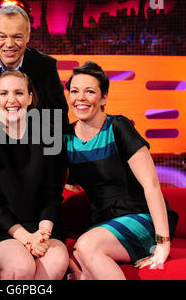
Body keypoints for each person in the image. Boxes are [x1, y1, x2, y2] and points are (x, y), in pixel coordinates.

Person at [64, 61, 178, 280]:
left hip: (139, 216)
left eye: (90, 91)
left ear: (103, 98)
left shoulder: (118, 127)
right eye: (74, 91)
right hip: (102, 222)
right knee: (74, 262)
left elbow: (151, 186)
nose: (80, 98)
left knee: (86, 246)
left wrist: (163, 245)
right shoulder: (66, 137)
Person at [0, 70, 69, 280]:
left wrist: (42, 233)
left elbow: (52, 193)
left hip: (39, 225)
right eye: (4, 94)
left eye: (19, 93)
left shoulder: (48, 137)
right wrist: (25, 237)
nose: (11, 100)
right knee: (21, 267)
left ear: (30, 97)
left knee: (56, 262)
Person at [0, 5, 69, 133]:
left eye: (17, 37)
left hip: (33, 139)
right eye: (2, 37)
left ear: (27, 36)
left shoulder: (45, 66)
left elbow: (58, 117)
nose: (9, 44)